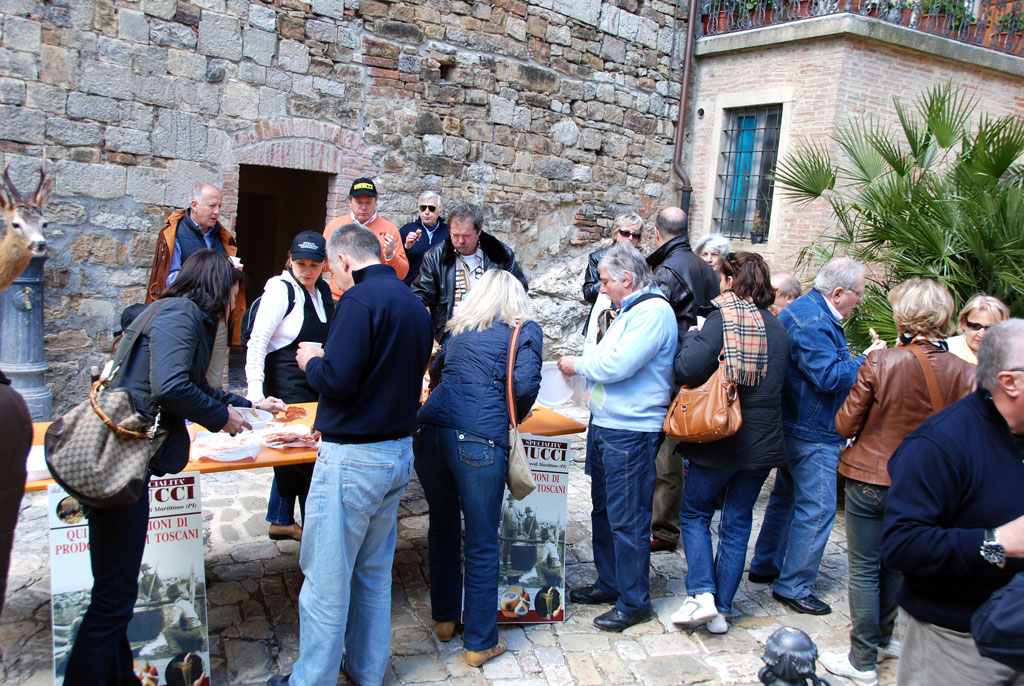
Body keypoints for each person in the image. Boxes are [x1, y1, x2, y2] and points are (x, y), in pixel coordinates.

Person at [66, 250, 285, 686]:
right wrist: (221, 418)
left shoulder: (170, 311)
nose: (233, 304)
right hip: (122, 464)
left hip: (125, 462)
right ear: (217, 287)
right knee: (113, 598)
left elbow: (194, 385)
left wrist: (249, 405)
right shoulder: (182, 315)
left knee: (115, 591)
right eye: (233, 293)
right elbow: (171, 387)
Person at [274, 223, 433, 686]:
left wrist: (311, 361)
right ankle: (366, 670)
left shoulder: (358, 301)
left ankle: (312, 680)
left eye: (331, 268)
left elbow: (337, 380)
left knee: (327, 580)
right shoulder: (413, 303)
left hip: (354, 459)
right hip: (396, 453)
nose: (331, 278)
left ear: (343, 259)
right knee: (372, 576)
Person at [819, 279, 976, 686]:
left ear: (903, 315)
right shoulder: (966, 373)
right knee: (896, 564)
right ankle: (885, 638)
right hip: (928, 485)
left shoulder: (881, 362)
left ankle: (862, 659)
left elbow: (844, 424)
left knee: (865, 567)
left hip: (872, 477)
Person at [881, 319, 1024, 686]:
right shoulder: (939, 444)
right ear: (1010, 381)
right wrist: (995, 542)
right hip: (957, 642)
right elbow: (901, 545)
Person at [415, 269, 542, 666]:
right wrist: (507, 414)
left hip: (431, 432)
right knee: (483, 539)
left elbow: (435, 373)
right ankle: (480, 642)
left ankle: (445, 620)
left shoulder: (461, 329)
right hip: (479, 438)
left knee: (442, 527)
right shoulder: (525, 330)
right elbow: (524, 386)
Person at [747, 256, 886, 615]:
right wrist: (868, 359)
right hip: (811, 430)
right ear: (838, 292)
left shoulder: (807, 309)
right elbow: (828, 376)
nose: (860, 300)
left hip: (798, 423)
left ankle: (767, 563)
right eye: (859, 293)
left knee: (786, 498)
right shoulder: (813, 320)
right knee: (818, 508)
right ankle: (793, 585)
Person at [557, 242, 677, 632]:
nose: (602, 287)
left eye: (606, 280)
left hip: (630, 431)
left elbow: (616, 364)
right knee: (605, 511)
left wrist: (578, 365)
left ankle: (634, 600)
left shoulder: (653, 313)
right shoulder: (631, 309)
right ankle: (610, 582)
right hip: (610, 425)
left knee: (627, 518)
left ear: (627, 278)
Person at [668, 252, 788, 635]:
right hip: (762, 444)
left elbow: (687, 368)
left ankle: (702, 592)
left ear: (731, 280)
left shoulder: (725, 319)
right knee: (737, 522)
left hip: (723, 439)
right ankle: (721, 610)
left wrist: (694, 335)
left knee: (695, 514)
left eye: (721, 277)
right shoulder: (777, 326)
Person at [245, 231, 334, 542]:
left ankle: (284, 520)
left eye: (314, 265)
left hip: (315, 383)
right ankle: (314, 533)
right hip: (286, 386)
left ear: (325, 265)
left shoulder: (323, 291)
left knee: (305, 457)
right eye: (300, 264)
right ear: (290, 260)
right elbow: (257, 342)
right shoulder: (280, 290)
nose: (306, 271)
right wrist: (255, 393)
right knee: (301, 461)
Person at [647, 206, 721, 554]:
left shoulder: (669, 270)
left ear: (656, 232)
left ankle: (663, 526)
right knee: (681, 447)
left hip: (673, 369)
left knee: (667, 452)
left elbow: (654, 324)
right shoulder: (704, 268)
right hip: (697, 365)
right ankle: (672, 521)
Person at [145, 183, 245, 387]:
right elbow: (171, 279)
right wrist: (208, 278)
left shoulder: (222, 236)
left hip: (217, 315)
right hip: (187, 314)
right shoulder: (175, 234)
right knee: (186, 372)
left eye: (219, 206)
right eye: (211, 206)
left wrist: (232, 273)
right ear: (194, 205)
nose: (217, 212)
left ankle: (212, 407)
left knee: (213, 378)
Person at [413, 203, 529, 342]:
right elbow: (421, 294)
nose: (460, 241)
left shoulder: (500, 254)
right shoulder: (435, 256)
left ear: (479, 231)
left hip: (491, 332)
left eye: (466, 236)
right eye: (455, 235)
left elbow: (518, 291)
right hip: (451, 334)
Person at [323, 177, 408, 299]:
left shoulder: (390, 230)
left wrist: (390, 255)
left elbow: (402, 273)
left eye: (368, 203)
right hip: (338, 298)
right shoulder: (335, 226)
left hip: (373, 299)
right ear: (350, 202)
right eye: (359, 202)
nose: (363, 207)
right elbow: (322, 264)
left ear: (376, 201)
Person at [581, 212, 644, 343]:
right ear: (615, 234)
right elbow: (588, 293)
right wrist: (609, 278)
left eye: (635, 235)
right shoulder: (598, 257)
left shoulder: (641, 262)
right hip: (602, 319)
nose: (630, 238)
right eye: (625, 233)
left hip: (630, 321)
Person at [399, 190, 449, 286]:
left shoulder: (449, 232)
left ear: (440, 212)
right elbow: (396, 260)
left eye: (431, 208)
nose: (426, 212)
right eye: (423, 208)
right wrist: (406, 247)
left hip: (439, 289)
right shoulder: (407, 230)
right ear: (419, 210)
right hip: (410, 288)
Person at [946, 293, 1011, 365]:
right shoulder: (946, 350)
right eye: (975, 326)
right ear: (964, 323)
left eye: (989, 328)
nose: (981, 334)